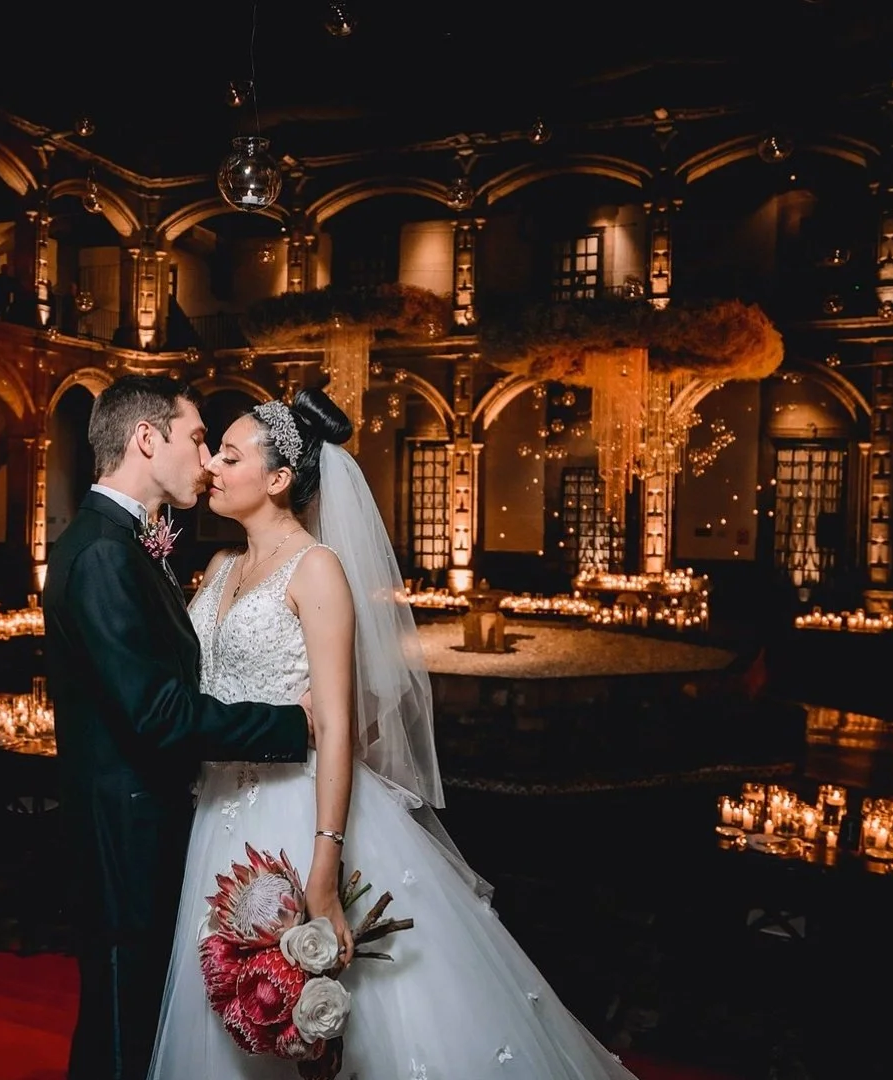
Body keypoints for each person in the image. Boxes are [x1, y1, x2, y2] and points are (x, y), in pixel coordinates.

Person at [149, 389, 638, 1079]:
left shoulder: (315, 569)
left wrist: (324, 864)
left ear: (279, 479)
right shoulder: (222, 567)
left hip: (294, 807)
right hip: (214, 809)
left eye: (229, 457)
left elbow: (339, 727)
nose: (212, 469)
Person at [43, 375, 313, 1080]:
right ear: (145, 439)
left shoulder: (127, 544)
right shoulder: (102, 553)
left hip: (151, 825)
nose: (205, 460)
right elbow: (157, 715)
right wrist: (295, 724)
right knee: (120, 1032)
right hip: (123, 836)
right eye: (196, 439)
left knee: (136, 1023)